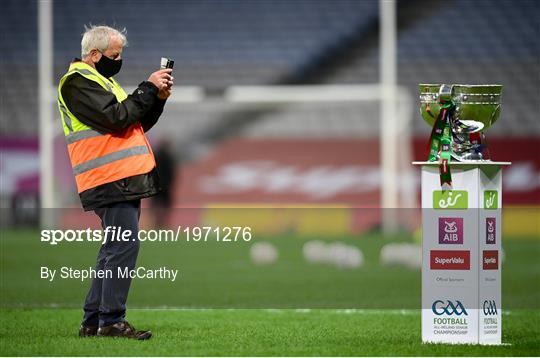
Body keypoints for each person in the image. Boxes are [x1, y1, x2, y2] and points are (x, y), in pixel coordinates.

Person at [57, 25, 173, 340]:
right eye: (114, 55)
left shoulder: (102, 82)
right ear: (93, 55)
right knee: (123, 245)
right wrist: (147, 87)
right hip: (108, 178)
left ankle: (93, 320)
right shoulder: (78, 82)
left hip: (119, 178)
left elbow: (134, 122)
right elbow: (118, 117)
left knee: (113, 247)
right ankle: (110, 321)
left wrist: (157, 98)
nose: (118, 60)